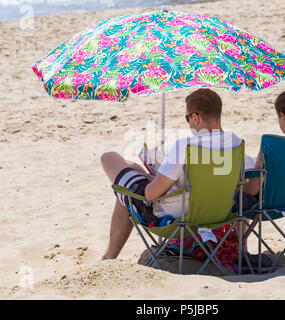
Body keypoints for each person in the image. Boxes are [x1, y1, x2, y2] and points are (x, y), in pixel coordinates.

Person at [99, 88, 246, 261]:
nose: (189, 124)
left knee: (110, 160)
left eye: (187, 118)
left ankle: (108, 258)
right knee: (131, 174)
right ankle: (108, 257)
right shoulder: (236, 143)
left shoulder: (185, 147)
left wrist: (150, 177)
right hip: (218, 214)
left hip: (176, 216)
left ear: (195, 117)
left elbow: (150, 194)